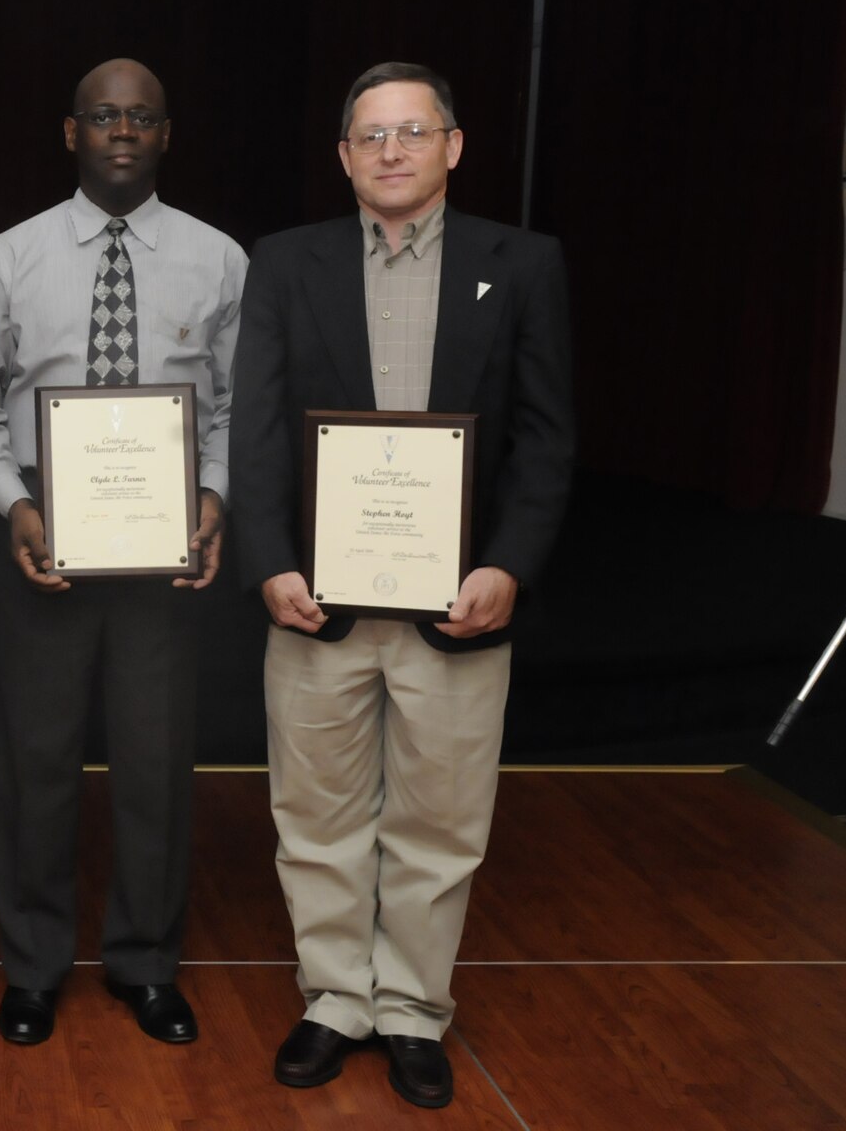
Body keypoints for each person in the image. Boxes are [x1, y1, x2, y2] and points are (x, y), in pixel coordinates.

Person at [230, 62, 575, 1110]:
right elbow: (252, 427)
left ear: (451, 146)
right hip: (316, 603)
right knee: (317, 814)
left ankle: (412, 1009)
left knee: (437, 822)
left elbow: (547, 439)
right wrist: (268, 559)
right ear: (342, 155)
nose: (389, 151)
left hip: (457, 605)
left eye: (410, 132)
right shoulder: (285, 264)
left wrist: (506, 564)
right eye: (369, 136)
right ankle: (334, 998)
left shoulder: (520, 265)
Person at [0, 59, 244, 1047]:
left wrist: (212, 495)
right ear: (69, 131)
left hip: (163, 557)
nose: (119, 129)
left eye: (139, 116)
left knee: (155, 766)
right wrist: (11, 506)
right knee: (34, 762)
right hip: (44, 541)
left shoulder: (219, 260)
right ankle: (33, 967)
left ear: (165, 134)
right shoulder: (6, 258)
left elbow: (227, 407)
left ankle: (144, 963)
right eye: (101, 115)